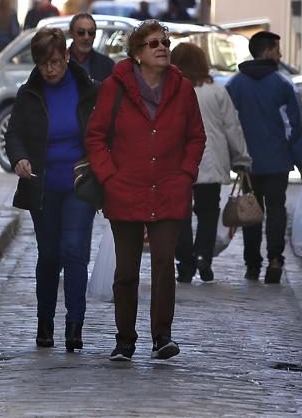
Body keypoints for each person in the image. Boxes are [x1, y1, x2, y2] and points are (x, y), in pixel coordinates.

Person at [85, 20, 206, 362]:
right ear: (137, 53)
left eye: (165, 43)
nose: (162, 48)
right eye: (153, 44)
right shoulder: (115, 87)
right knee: (126, 270)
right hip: (125, 190)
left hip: (170, 188)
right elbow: (95, 137)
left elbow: (196, 136)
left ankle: (162, 336)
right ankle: (125, 339)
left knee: (165, 264)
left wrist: (186, 173)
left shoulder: (182, 89)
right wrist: (109, 177)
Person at [5, 28, 100, 352]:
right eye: (44, 63)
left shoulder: (87, 90)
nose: (51, 69)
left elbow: (102, 132)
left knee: (74, 250)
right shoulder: (28, 94)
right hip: (42, 186)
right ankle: (45, 322)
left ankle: (74, 324)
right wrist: (19, 158)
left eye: (56, 61)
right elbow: (14, 134)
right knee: (49, 255)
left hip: (78, 184)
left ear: (67, 57)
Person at [225, 31, 302, 284]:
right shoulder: (283, 84)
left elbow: (228, 125)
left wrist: (232, 158)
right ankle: (275, 259)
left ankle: (252, 264)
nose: (280, 54)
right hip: (277, 162)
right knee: (276, 210)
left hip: (247, 164)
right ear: (266, 52)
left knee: (250, 213)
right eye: (277, 49)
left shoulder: (235, 85)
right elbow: (296, 127)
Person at [170, 43, 251, 283]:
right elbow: (231, 126)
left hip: (179, 160)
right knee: (207, 213)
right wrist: (241, 157)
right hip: (211, 160)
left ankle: (184, 261)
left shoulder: (171, 89)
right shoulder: (216, 91)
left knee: (179, 214)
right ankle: (203, 255)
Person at [68, 13, 114, 82]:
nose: (86, 37)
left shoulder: (107, 65)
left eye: (91, 32)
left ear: (95, 35)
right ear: (71, 33)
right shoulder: (60, 62)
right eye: (81, 32)